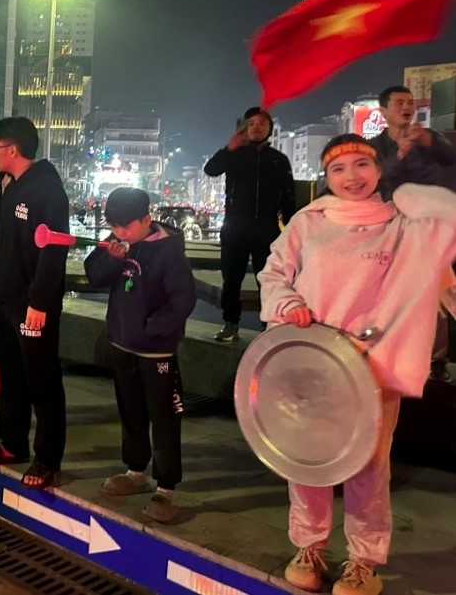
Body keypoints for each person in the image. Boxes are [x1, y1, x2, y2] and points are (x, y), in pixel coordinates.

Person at [258, 134, 456, 595]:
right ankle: (308, 545)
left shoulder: (404, 223)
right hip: (311, 365)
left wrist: (417, 195)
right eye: (338, 169)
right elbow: (273, 272)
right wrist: (287, 304)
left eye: (361, 165)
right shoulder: (309, 222)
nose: (352, 177)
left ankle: (364, 559)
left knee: (369, 465)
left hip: (372, 369)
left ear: (380, 169)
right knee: (306, 459)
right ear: (326, 178)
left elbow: (439, 271)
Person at [84, 187, 196, 524]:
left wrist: (152, 328)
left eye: (126, 226)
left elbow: (183, 299)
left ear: (147, 219)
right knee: (130, 411)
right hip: (122, 345)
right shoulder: (117, 242)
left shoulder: (168, 251)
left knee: (164, 417)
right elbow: (94, 275)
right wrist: (112, 257)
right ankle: (135, 471)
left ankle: (166, 488)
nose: (119, 232)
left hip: (156, 350)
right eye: (113, 225)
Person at [0, 116, 70, 490]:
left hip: (32, 303)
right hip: (6, 298)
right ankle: (12, 442)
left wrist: (40, 302)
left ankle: (47, 458)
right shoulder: (10, 186)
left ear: (12, 149)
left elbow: (55, 249)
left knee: (41, 379)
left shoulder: (47, 189)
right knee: (11, 375)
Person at [369, 85, 456, 382]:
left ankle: (436, 359)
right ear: (383, 111)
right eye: (398, 102)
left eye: (410, 102)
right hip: (389, 226)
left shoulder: (428, 138)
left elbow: (449, 157)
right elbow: (376, 181)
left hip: (426, 228)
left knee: (434, 293)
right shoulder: (374, 147)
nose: (406, 107)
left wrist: (428, 139)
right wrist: (400, 155)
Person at [203, 107, 296, 342]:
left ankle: (269, 325)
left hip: (267, 228)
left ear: (269, 129)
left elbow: (288, 195)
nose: (256, 127)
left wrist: (291, 227)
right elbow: (210, 170)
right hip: (234, 226)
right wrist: (229, 147)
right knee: (231, 279)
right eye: (251, 123)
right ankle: (230, 323)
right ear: (244, 128)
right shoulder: (234, 154)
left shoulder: (278, 159)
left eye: (261, 123)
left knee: (268, 279)